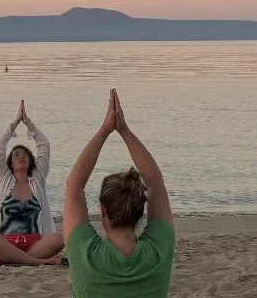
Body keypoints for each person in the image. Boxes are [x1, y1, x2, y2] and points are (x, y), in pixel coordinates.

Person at [64, 89, 175, 297]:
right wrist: (124, 130)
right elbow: (155, 182)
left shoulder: (86, 255)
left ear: (103, 212)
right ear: (140, 212)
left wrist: (105, 129)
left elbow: (74, 185)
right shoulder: (158, 251)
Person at [0, 100, 65, 265]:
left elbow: (45, 147)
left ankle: (16, 260)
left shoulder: (37, 179)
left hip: (34, 244)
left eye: (25, 154)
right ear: (10, 163)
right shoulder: (4, 179)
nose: (21, 156)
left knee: (58, 239)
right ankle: (39, 262)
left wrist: (28, 123)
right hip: (7, 243)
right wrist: (15, 123)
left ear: (30, 162)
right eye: (16, 154)